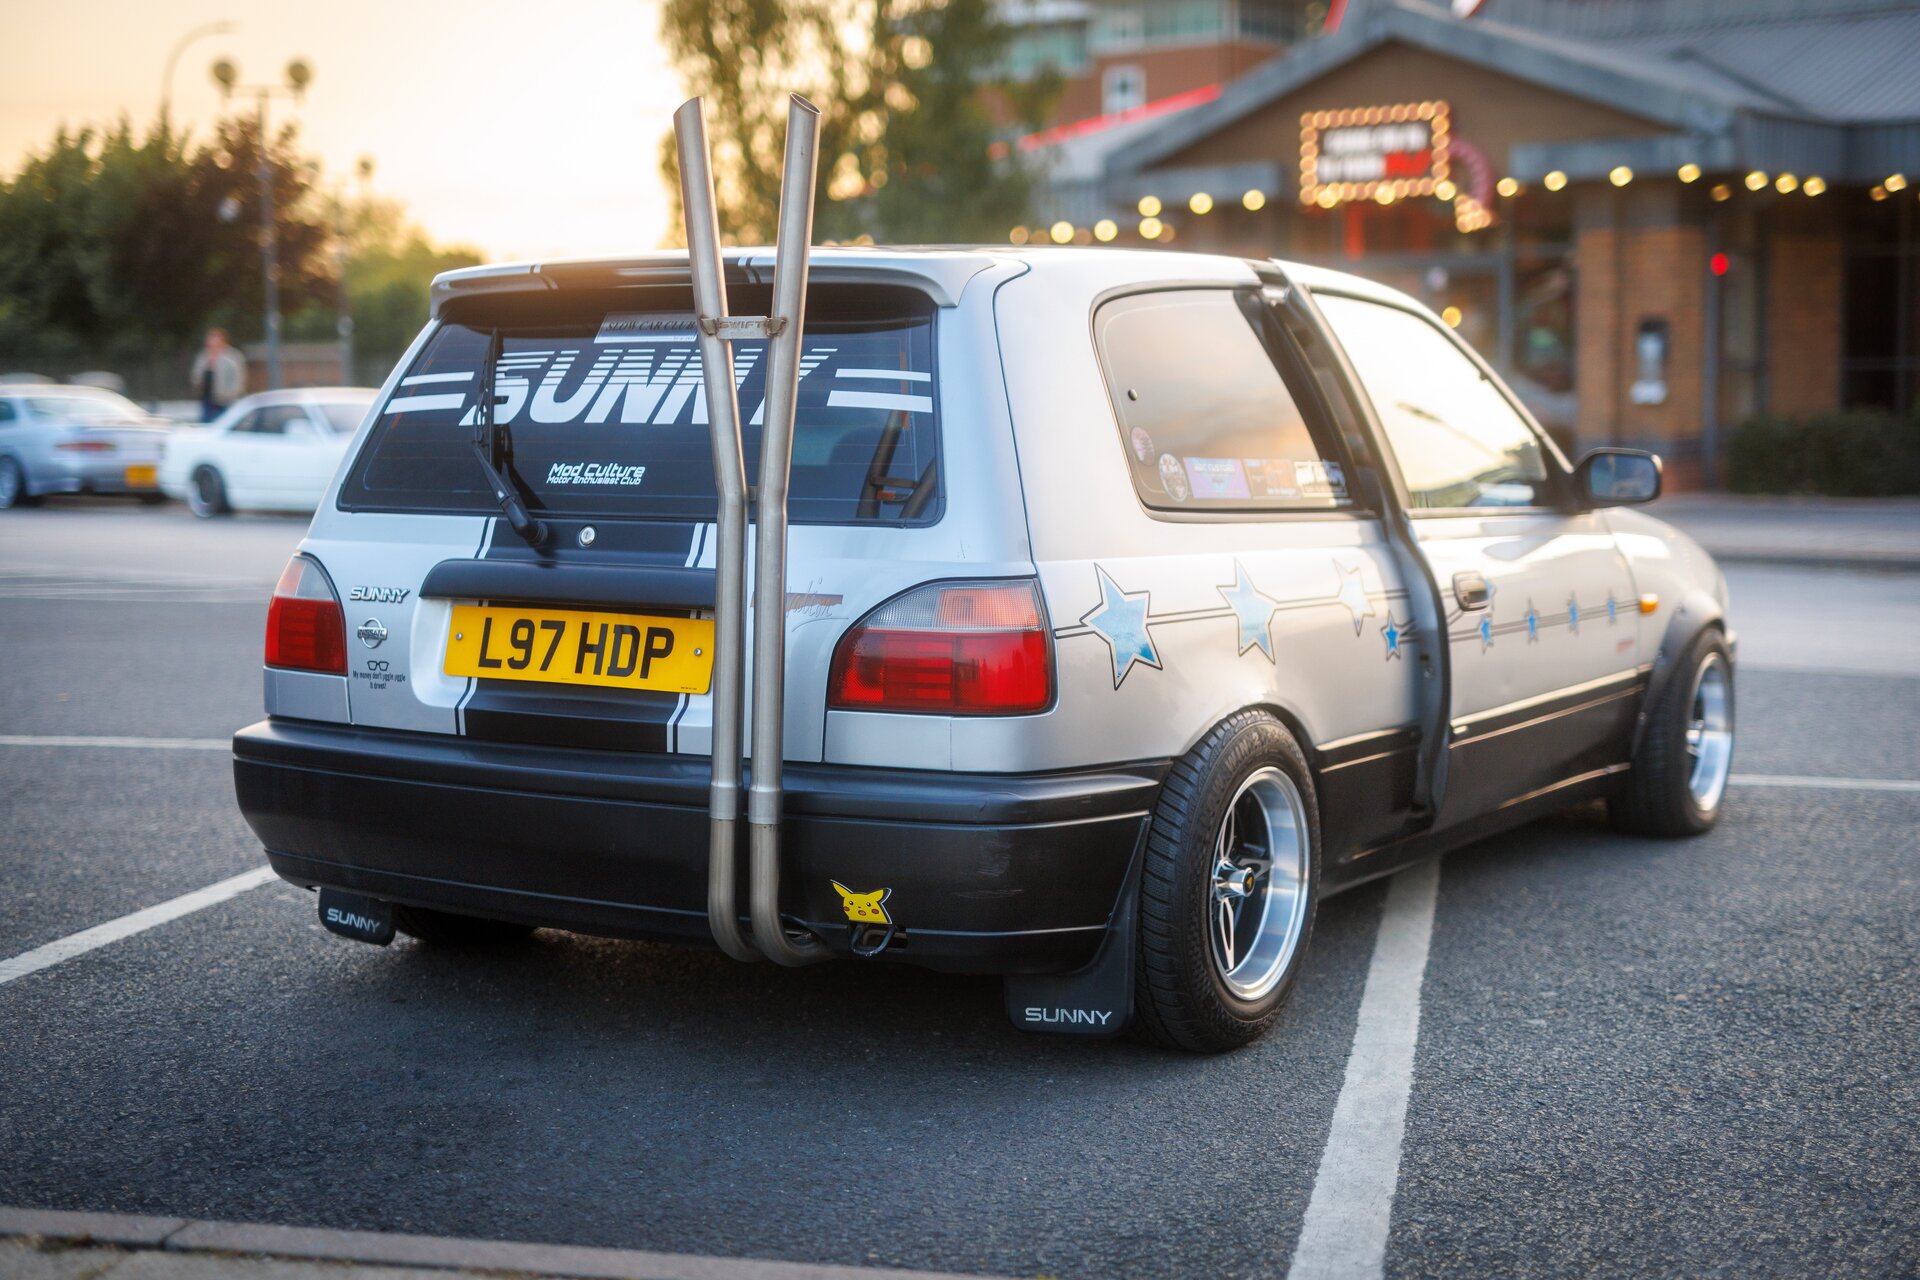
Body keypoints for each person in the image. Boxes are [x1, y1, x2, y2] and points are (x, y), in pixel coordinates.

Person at [190, 329, 247, 422]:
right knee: (206, 424)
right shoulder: (203, 356)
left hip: (225, 401)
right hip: (207, 399)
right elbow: (196, 375)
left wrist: (231, 395)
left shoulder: (233, 357)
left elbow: (239, 380)